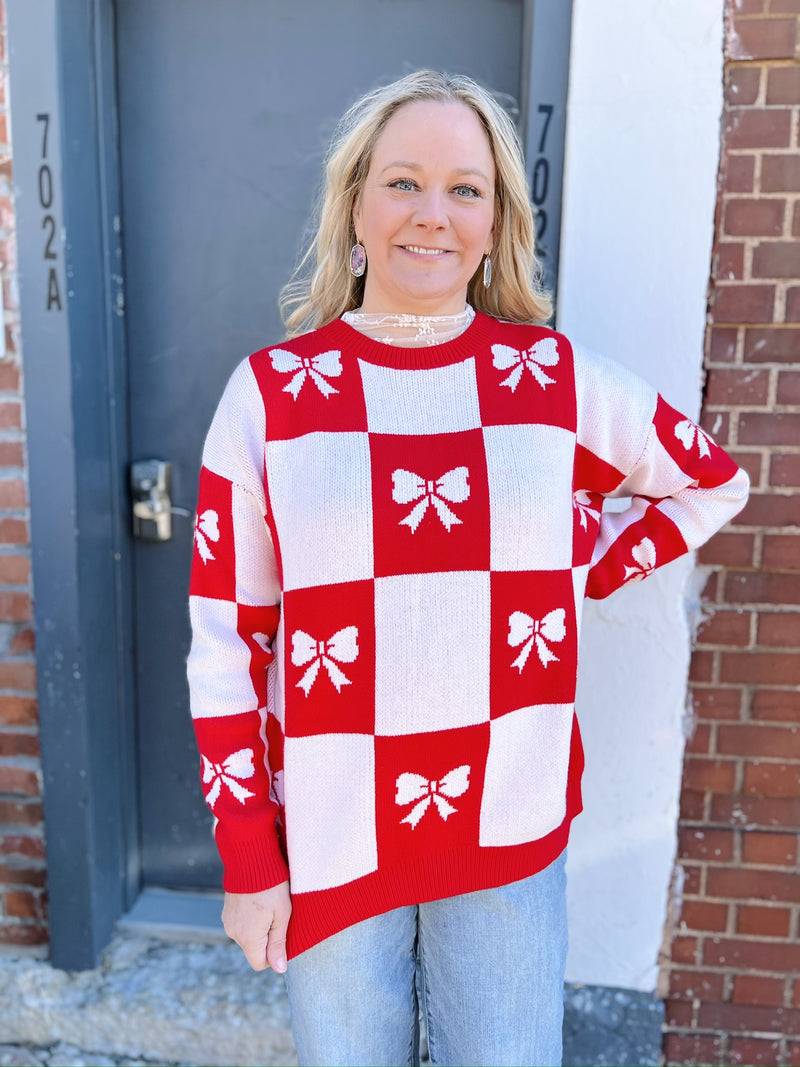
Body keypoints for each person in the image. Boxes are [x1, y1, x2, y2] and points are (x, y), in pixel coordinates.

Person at [186, 70, 749, 1067]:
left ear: (494, 223)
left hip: (506, 823)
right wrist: (245, 854)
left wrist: (563, 565)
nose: (431, 215)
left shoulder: (552, 381)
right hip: (329, 828)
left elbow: (706, 480)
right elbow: (229, 638)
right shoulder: (272, 398)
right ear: (353, 204)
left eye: (465, 188)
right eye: (401, 182)